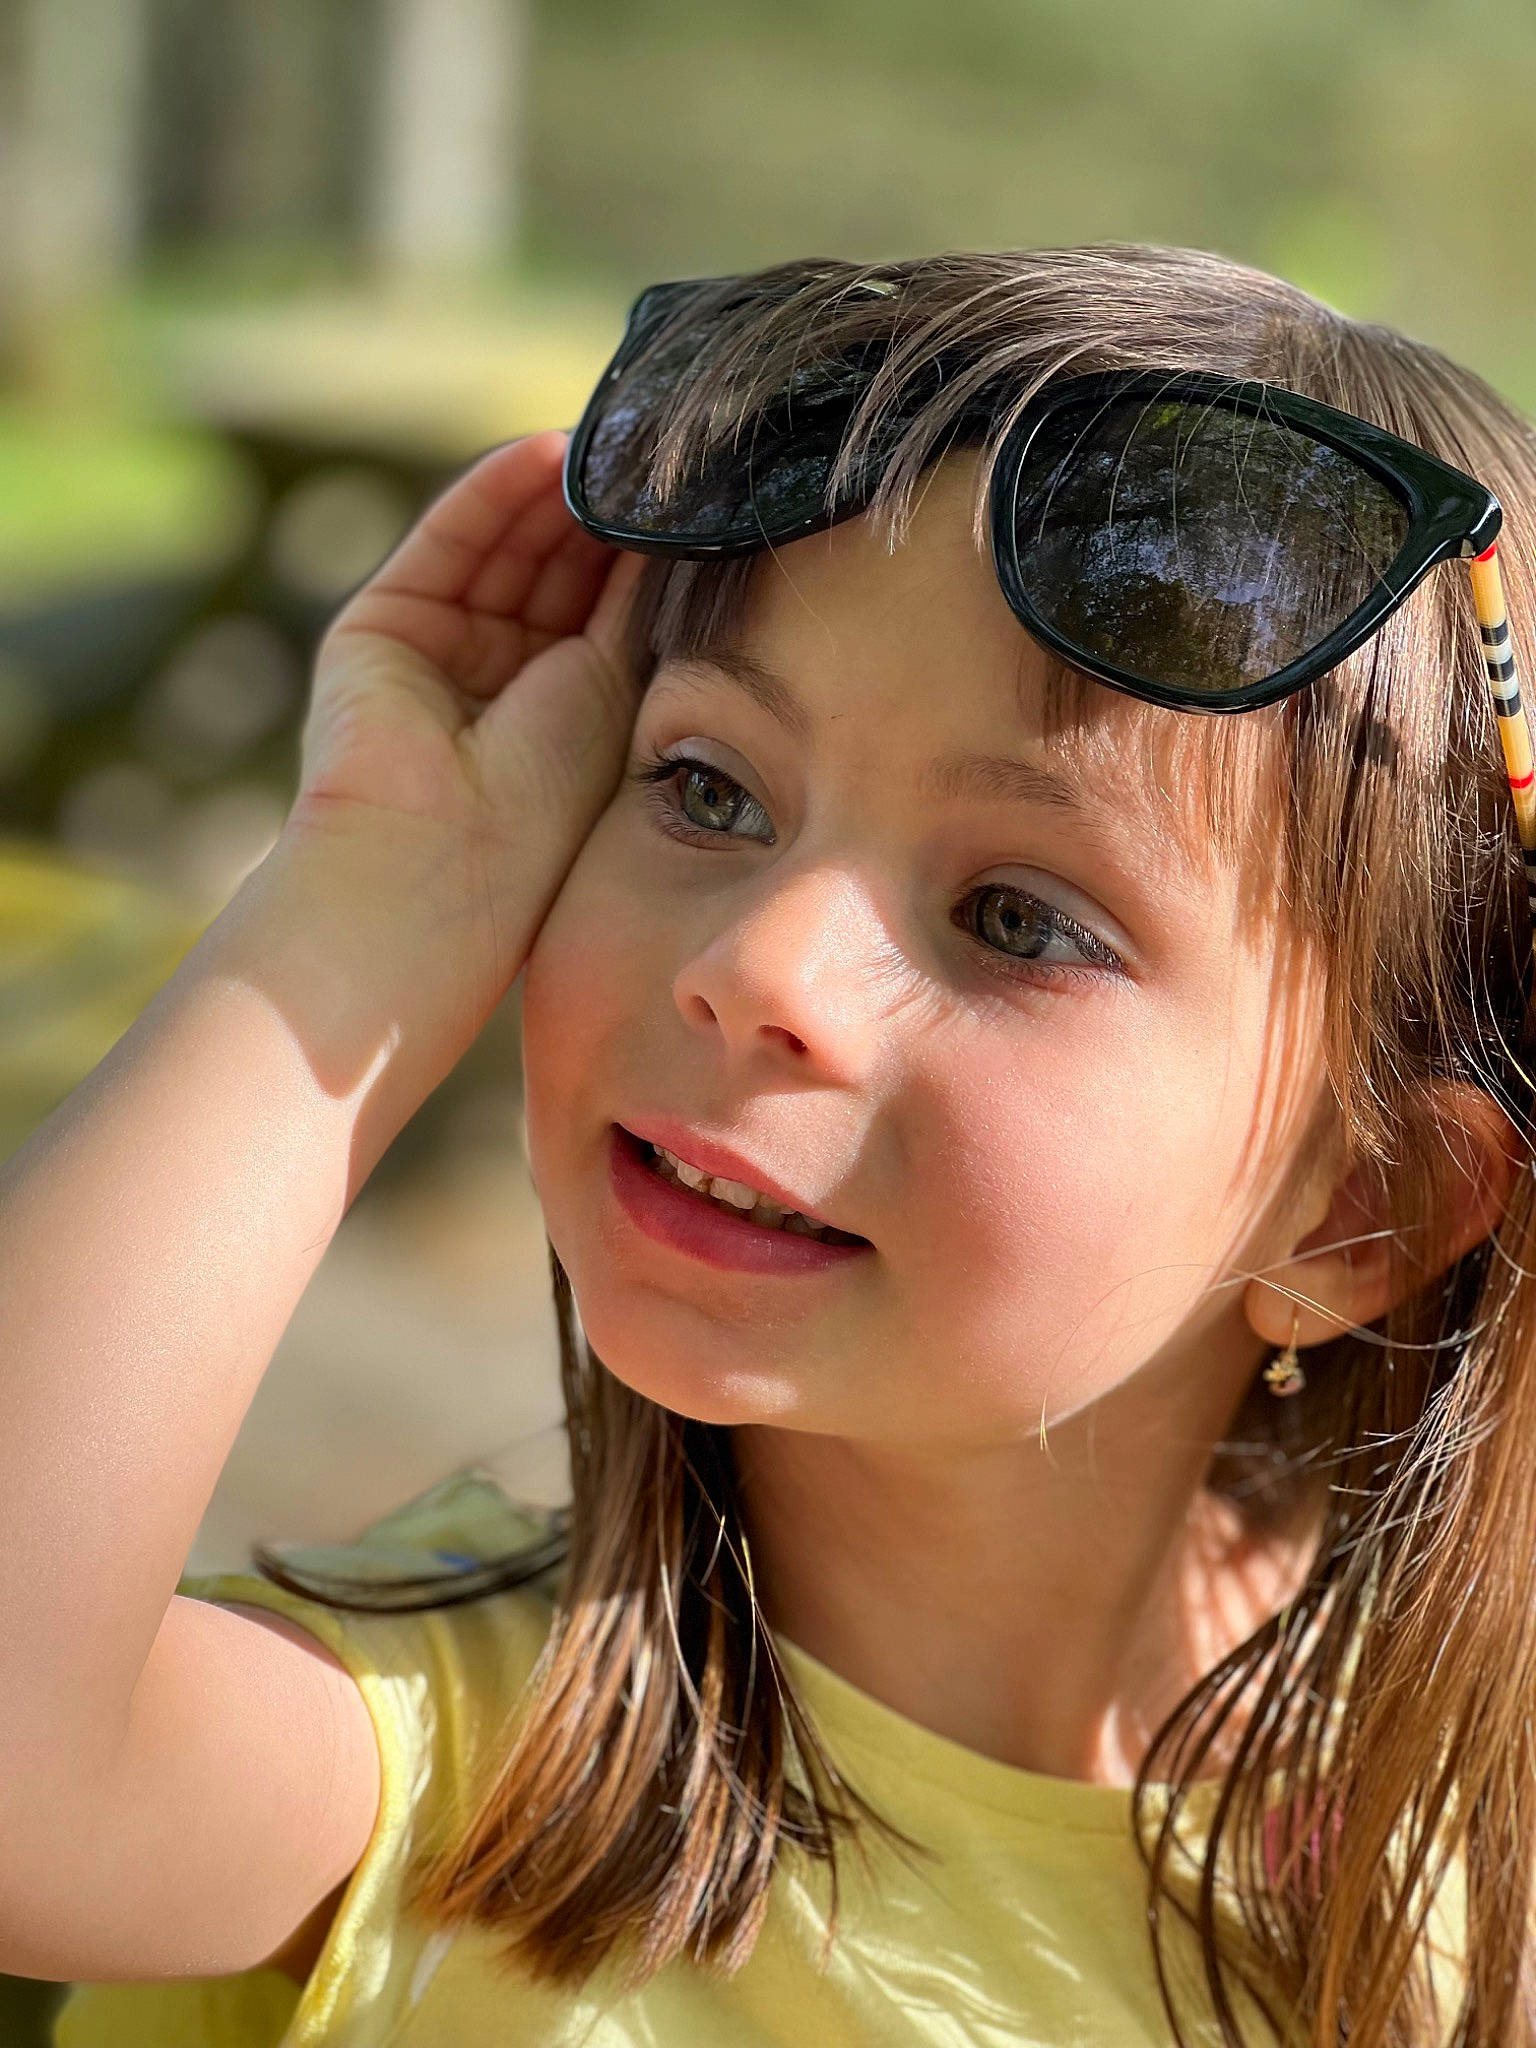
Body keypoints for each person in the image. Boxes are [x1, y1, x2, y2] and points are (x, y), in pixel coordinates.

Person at [8, 243, 1534, 2047]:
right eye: (708, 788)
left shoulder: (1449, 1855)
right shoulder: (452, 1771)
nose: (756, 969)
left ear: (1361, 1213)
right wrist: (364, 899)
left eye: (1019, 916)